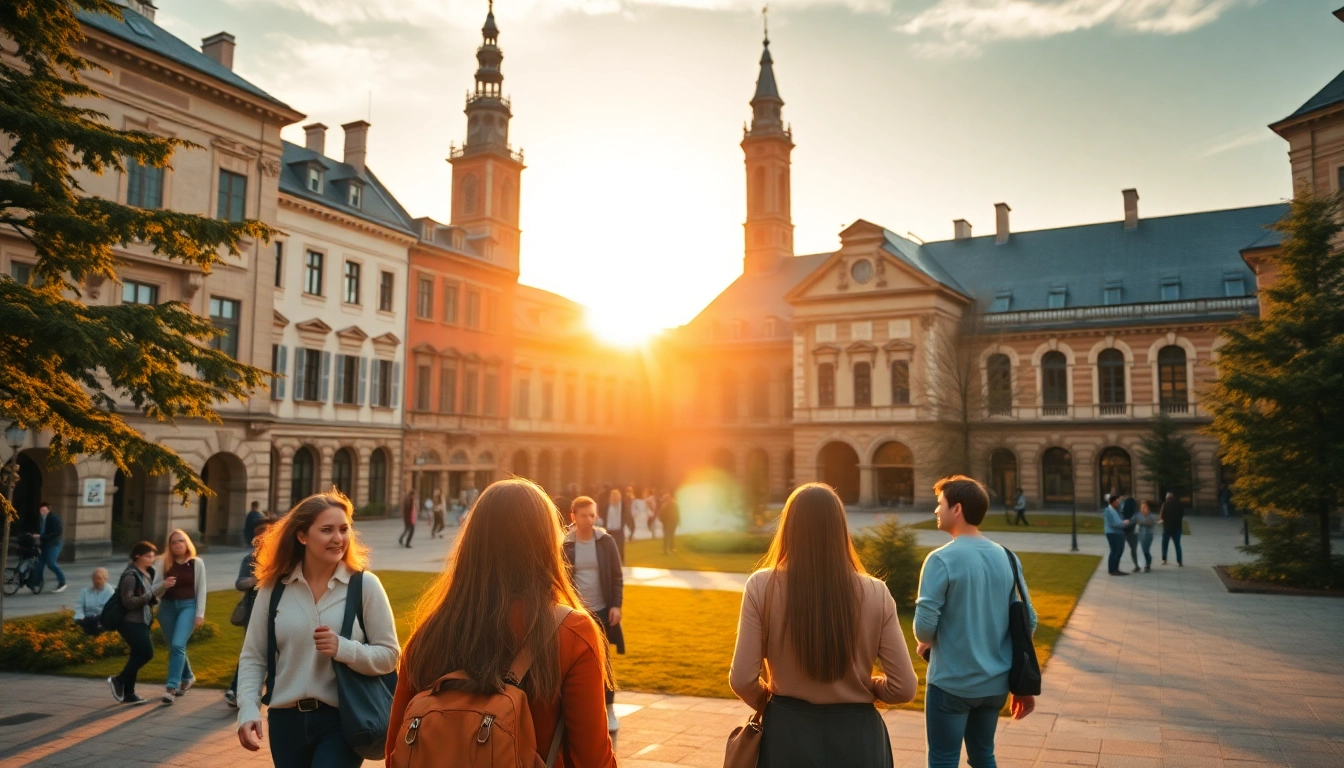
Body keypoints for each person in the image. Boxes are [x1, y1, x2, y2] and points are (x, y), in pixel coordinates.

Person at [386, 479, 616, 767]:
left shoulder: (430, 633)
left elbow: (396, 751)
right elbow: (593, 759)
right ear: (546, 543)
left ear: (472, 541)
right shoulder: (571, 632)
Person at [734, 485, 917, 767]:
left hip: (787, 735)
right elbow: (904, 688)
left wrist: (770, 701)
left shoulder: (762, 586)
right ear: (839, 528)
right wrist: (868, 685)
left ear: (789, 526)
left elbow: (742, 680)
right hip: (859, 739)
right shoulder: (875, 591)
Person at [236, 492, 399, 767]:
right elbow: (253, 656)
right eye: (327, 530)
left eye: (344, 529)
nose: (338, 538)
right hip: (285, 722)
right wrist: (248, 709)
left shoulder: (365, 586)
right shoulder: (273, 589)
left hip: (341, 720)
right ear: (302, 536)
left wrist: (344, 649)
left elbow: (390, 656)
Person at [915, 476, 1037, 768]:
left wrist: (925, 643)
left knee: (943, 759)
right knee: (984, 757)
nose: (935, 511)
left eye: (939, 504)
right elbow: (1028, 620)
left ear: (956, 509)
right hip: (994, 685)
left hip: (950, 685)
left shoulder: (940, 560)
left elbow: (923, 627)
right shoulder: (1007, 556)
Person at [562, 496, 626, 746]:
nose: (589, 520)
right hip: (575, 611)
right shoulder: (565, 545)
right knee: (571, 662)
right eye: (584, 515)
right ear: (573, 516)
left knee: (604, 661)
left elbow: (616, 576)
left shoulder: (605, 541)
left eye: (593, 515)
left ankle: (609, 708)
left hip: (601, 610)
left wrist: (616, 606)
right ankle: (574, 710)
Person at [108, 541, 173, 705]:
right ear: (138, 556)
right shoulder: (130, 576)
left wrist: (155, 595)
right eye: (148, 556)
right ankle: (119, 680)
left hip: (141, 620)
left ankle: (129, 693)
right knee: (146, 653)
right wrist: (153, 593)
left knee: (137, 654)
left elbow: (147, 598)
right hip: (130, 622)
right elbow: (129, 602)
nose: (152, 559)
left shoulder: (145, 573)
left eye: (153, 556)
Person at [225, 517, 274, 708]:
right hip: (255, 608)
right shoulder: (250, 559)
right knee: (253, 650)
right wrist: (258, 579)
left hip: (279, 608)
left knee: (272, 651)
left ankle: (244, 691)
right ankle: (238, 691)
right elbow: (240, 583)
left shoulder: (284, 557)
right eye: (263, 535)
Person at [154, 529, 207, 703]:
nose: (177, 544)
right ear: (169, 546)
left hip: (188, 606)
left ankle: (171, 687)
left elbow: (202, 591)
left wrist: (199, 614)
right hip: (167, 608)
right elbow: (153, 590)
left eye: (181, 541)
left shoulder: (196, 563)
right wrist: (164, 585)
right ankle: (188, 676)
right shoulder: (163, 563)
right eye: (174, 542)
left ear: (187, 544)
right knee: (176, 647)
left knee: (177, 645)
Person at [34, 502, 67, 593]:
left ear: (48, 510)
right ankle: (37, 583)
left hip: (53, 544)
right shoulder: (40, 519)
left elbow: (57, 533)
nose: (42, 512)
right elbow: (39, 530)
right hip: (44, 544)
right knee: (39, 564)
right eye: (41, 510)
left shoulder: (54, 518)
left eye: (44, 510)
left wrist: (41, 536)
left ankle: (62, 582)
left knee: (51, 563)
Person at [73, 567, 115, 635]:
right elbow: (79, 607)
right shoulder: (84, 592)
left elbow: (109, 610)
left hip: (102, 620)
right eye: (95, 578)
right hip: (87, 620)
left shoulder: (110, 592)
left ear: (106, 579)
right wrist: (79, 618)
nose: (97, 581)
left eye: (99, 579)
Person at [1103, 495, 1133, 576]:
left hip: (1119, 533)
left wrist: (1123, 522)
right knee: (1115, 550)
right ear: (1112, 502)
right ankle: (1112, 570)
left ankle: (1115, 569)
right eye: (1117, 502)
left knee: (1118, 551)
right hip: (1112, 533)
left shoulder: (1115, 510)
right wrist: (1123, 523)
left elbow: (1118, 521)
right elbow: (1112, 523)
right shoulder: (1108, 510)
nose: (1118, 503)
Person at [602, 488, 630, 560]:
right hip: (609, 531)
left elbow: (627, 516)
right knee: (608, 550)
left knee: (619, 550)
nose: (613, 498)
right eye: (612, 496)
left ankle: (621, 564)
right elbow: (604, 517)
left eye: (615, 496)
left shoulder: (622, 506)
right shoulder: (607, 506)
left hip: (619, 531)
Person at [1159, 492, 1185, 566]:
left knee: (1164, 544)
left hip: (1167, 528)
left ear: (1167, 498)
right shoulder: (1179, 504)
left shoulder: (1165, 504)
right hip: (1177, 528)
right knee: (1177, 545)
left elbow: (1161, 516)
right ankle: (1179, 561)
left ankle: (1164, 559)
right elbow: (1182, 514)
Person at [1120, 496, 1141, 573]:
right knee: (1133, 548)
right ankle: (1136, 565)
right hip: (1131, 530)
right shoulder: (1135, 509)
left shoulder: (1122, 509)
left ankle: (1116, 566)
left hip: (1124, 530)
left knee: (1119, 549)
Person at [1135, 500, 1157, 572]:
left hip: (1148, 535)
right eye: (1142, 507)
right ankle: (1144, 563)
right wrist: (1143, 522)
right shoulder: (1138, 514)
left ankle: (1148, 563)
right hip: (1140, 535)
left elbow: (1150, 523)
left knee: (1146, 549)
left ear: (1147, 507)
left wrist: (1142, 522)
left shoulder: (1152, 515)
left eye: (1144, 507)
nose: (1143, 509)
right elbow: (1136, 521)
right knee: (1142, 550)